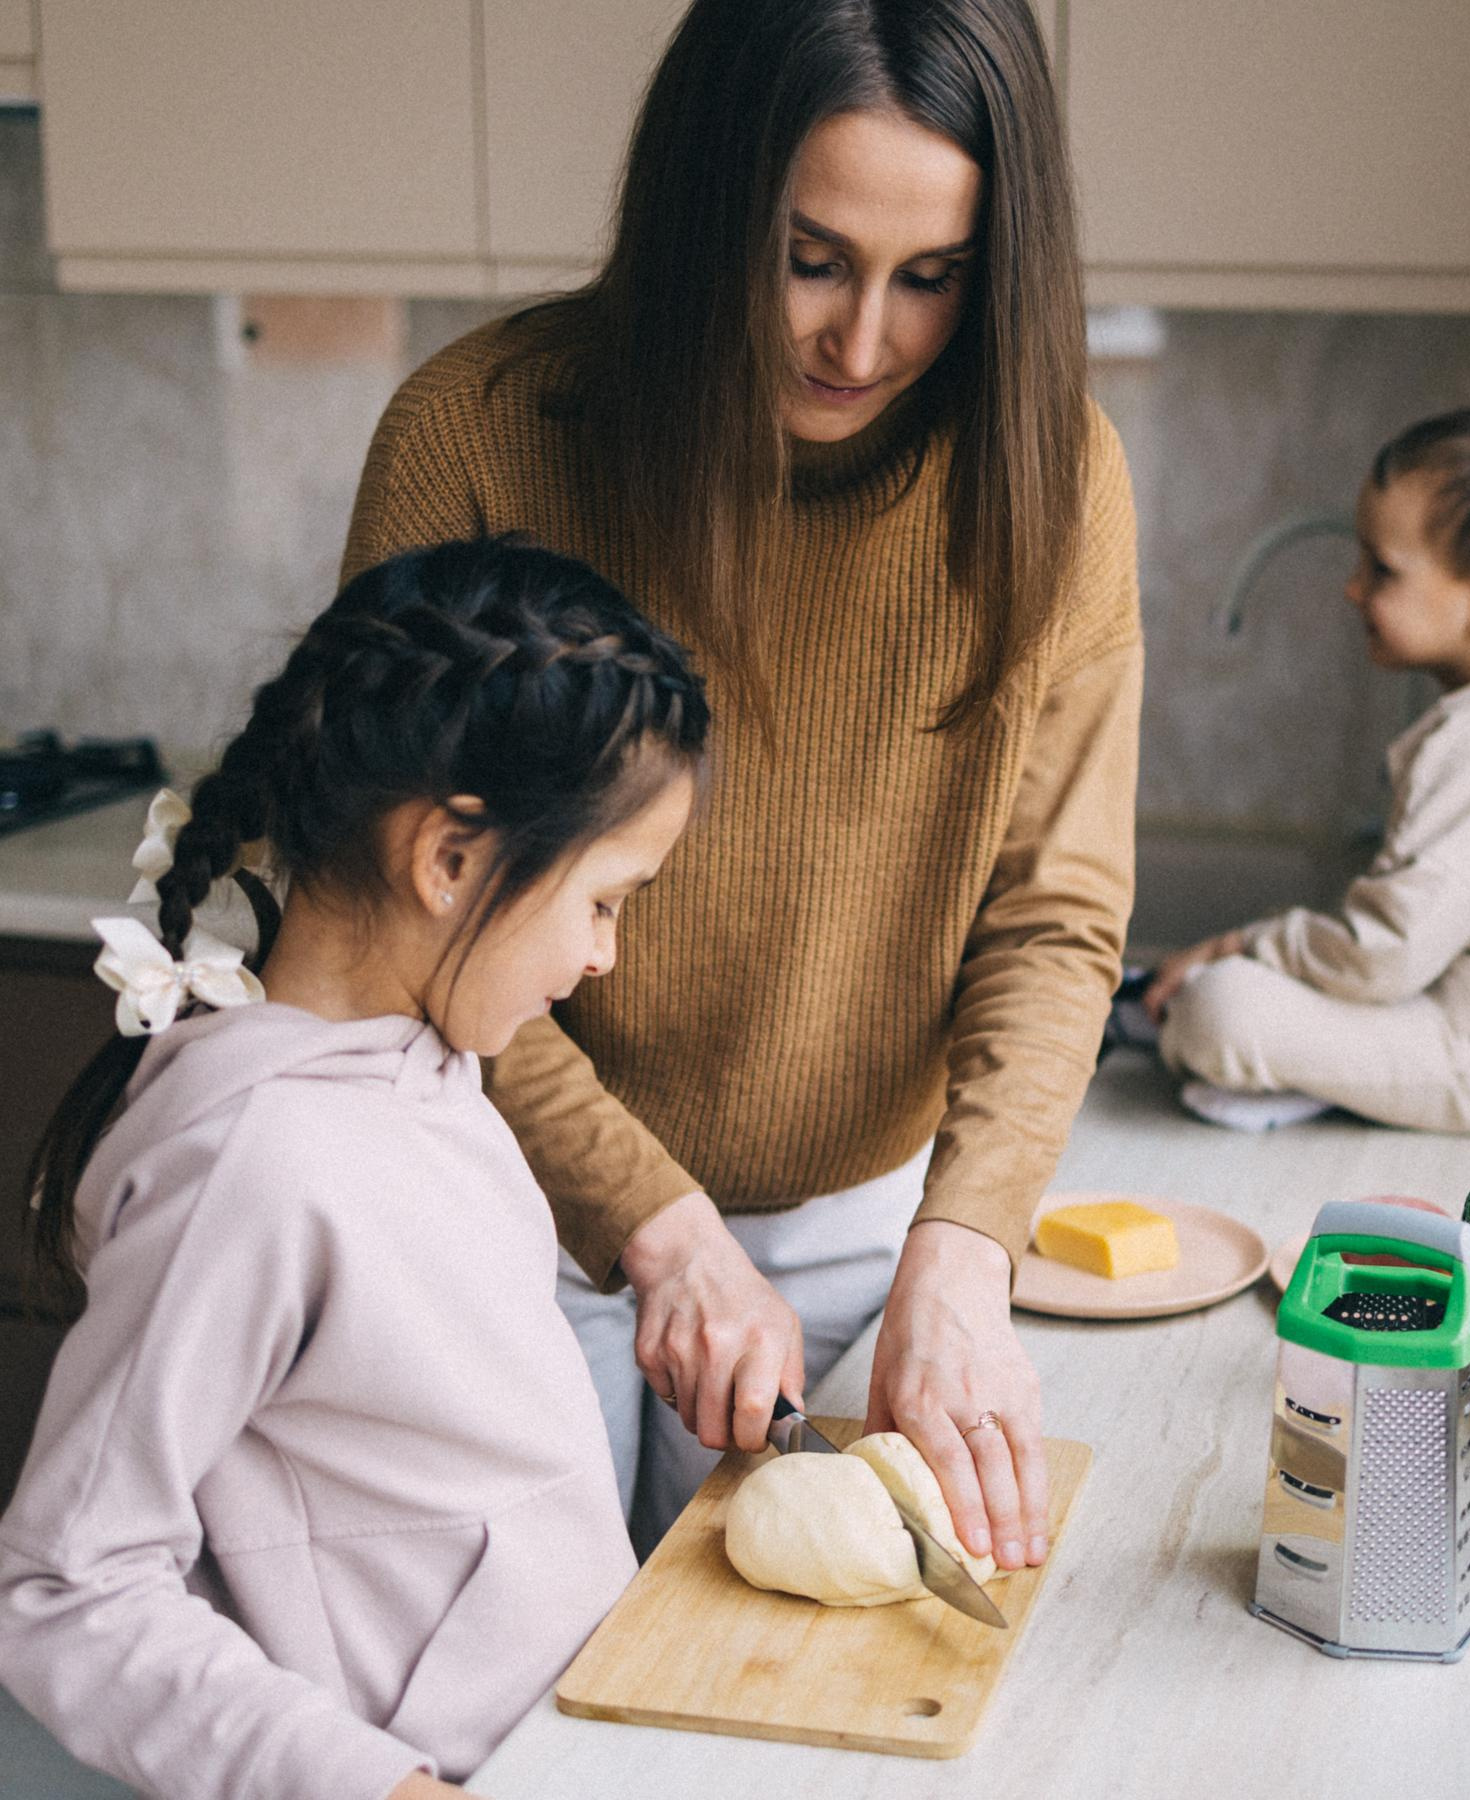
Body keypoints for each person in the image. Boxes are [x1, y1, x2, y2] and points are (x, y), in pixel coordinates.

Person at [342, 0, 1137, 1565]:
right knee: (533, 1711)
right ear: (708, 208)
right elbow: (404, 913)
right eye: (812, 257)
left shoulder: (1060, 476)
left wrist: (964, 1253)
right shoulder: (484, 437)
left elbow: (1056, 913)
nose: (863, 345)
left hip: (871, 1228)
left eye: (934, 279)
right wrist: (653, 1219)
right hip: (508, 1208)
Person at [0, 539, 710, 1799]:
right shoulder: (252, 1168)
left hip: (560, 1744)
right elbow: (65, 1584)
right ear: (447, 859)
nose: (606, 956)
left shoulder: (427, 1064)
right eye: (604, 901)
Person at [1144, 403, 1470, 1134]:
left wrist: (1247, 946)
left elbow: (1384, 958)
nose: (1352, 588)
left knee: (1219, 1007)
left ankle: (1298, 1079)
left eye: (1381, 569)